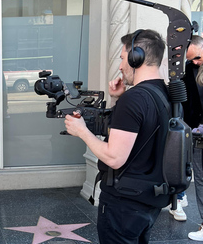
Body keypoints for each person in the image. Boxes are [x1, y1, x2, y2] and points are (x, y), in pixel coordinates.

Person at [64, 29, 168, 244]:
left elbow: (114, 157)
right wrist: (116, 101)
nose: (120, 66)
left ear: (135, 57)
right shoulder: (164, 93)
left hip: (125, 202)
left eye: (122, 58)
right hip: (149, 198)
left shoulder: (135, 99)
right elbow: (139, 134)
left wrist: (82, 131)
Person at [184, 35, 203, 241]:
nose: (195, 62)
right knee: (201, 180)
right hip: (198, 134)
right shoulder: (190, 69)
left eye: (197, 57)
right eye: (191, 60)